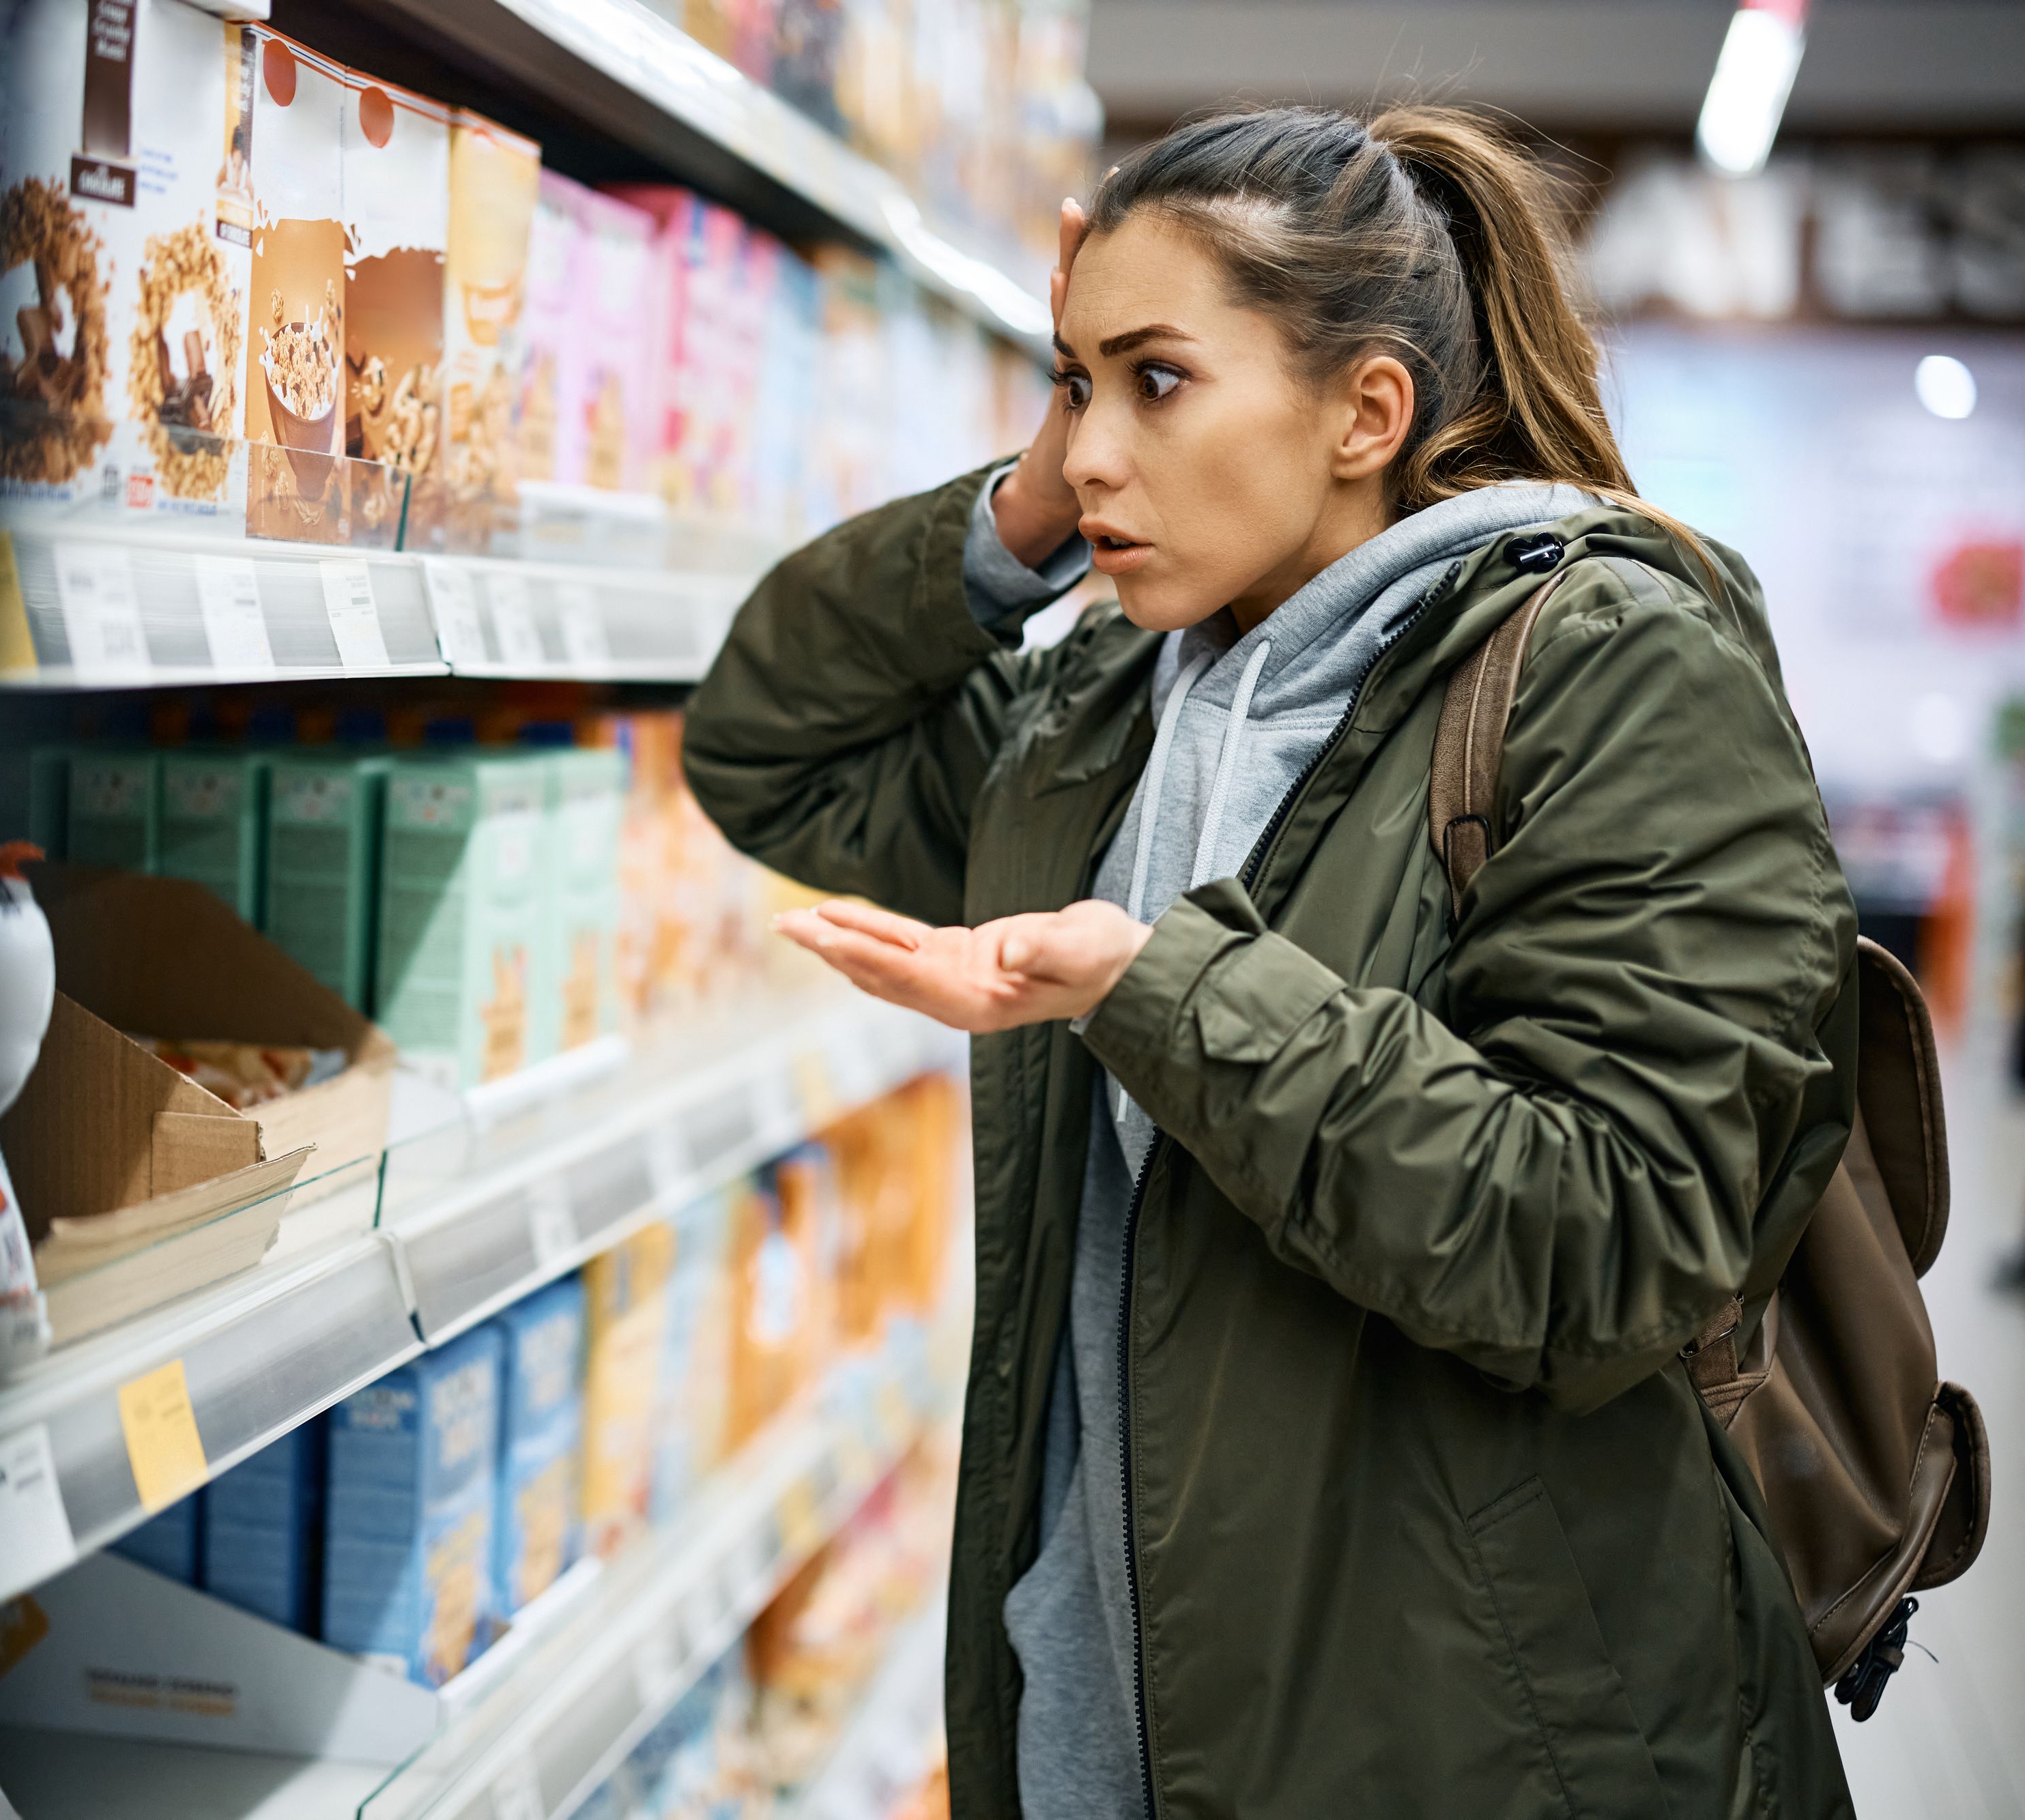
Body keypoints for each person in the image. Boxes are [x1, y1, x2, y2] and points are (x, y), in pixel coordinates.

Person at [684, 106, 1856, 1819]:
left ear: (1363, 411)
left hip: (1467, 1751)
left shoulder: (1608, 670)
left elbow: (1616, 1230)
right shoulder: (1101, 707)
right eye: (1070, 381)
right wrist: (1018, 512)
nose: (1090, 451)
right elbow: (768, 748)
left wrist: (1148, 986)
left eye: (1154, 381)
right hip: (1108, 1723)